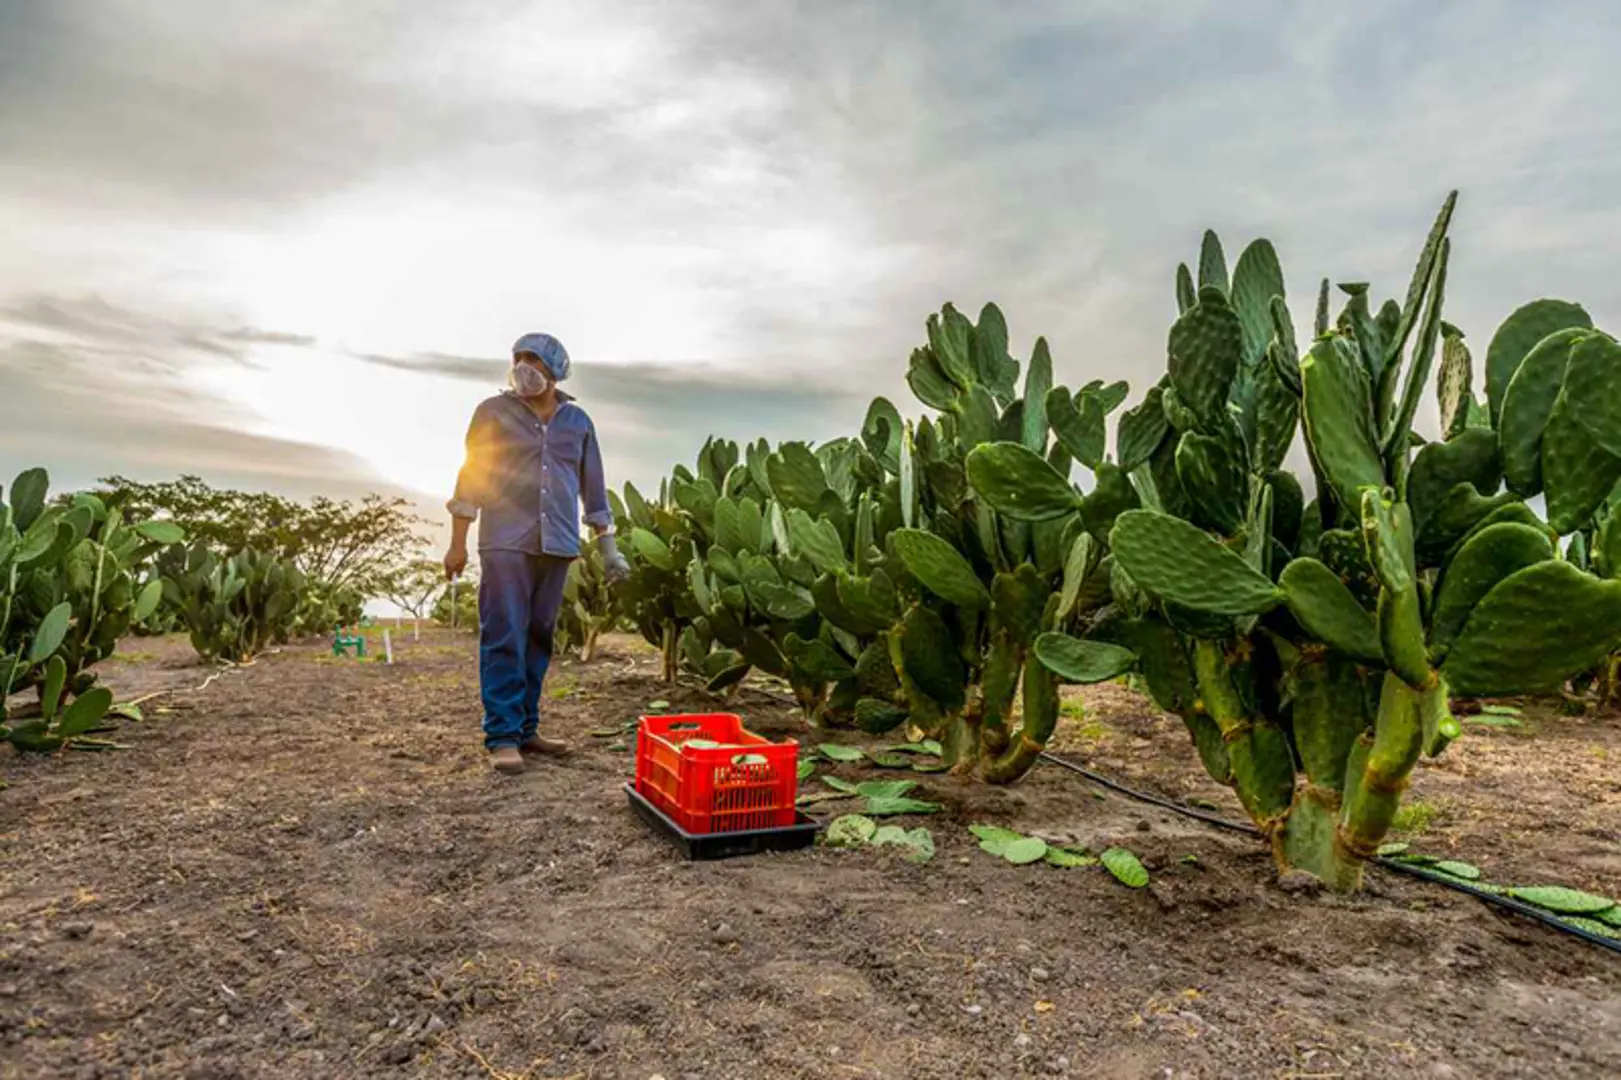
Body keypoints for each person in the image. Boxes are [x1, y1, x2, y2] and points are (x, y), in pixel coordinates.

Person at [443, 332, 631, 774]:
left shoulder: (578, 422)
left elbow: (594, 489)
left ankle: (527, 727)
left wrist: (610, 550)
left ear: (556, 369)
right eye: (519, 358)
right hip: (505, 539)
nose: (524, 366)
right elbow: (471, 478)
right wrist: (457, 544)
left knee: (539, 637)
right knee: (504, 633)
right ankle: (502, 735)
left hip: (560, 542)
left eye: (534, 360)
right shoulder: (492, 412)